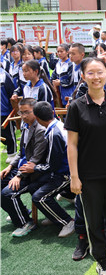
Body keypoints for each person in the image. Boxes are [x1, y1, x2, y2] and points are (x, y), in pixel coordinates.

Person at [65, 57, 106, 275]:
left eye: (99, 72)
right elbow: (72, 144)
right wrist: (74, 176)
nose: (96, 77)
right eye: (90, 73)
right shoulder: (76, 106)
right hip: (89, 175)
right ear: (83, 76)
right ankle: (100, 259)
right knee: (93, 221)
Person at [1, 98, 48, 237]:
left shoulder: (40, 130)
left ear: (36, 111)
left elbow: (35, 159)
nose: (23, 116)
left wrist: (18, 176)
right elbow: (21, 152)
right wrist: (10, 166)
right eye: (21, 112)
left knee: (7, 193)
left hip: (34, 173)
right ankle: (21, 211)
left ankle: (26, 222)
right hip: (22, 168)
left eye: (27, 112)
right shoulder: (25, 125)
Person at [29, 101, 75, 237]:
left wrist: (35, 167)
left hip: (65, 174)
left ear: (37, 118)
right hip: (62, 170)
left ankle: (67, 222)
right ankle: (53, 215)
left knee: (39, 197)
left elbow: (53, 165)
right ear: (53, 112)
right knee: (33, 187)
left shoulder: (54, 134)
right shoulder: (58, 124)